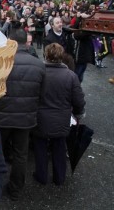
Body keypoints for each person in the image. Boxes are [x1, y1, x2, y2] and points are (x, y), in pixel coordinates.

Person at [0, 28, 45, 201]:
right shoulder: (39, 65)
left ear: (11, 41)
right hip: (25, 118)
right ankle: (15, 189)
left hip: (1, 116)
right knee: (21, 155)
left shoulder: (1, 62)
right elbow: (42, 95)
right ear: (27, 43)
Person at [33, 43, 85, 186]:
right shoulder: (71, 76)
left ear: (46, 55)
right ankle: (59, 177)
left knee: (40, 147)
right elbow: (78, 100)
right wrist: (79, 114)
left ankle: (41, 175)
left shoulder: (39, 73)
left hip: (40, 118)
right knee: (60, 147)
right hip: (61, 119)